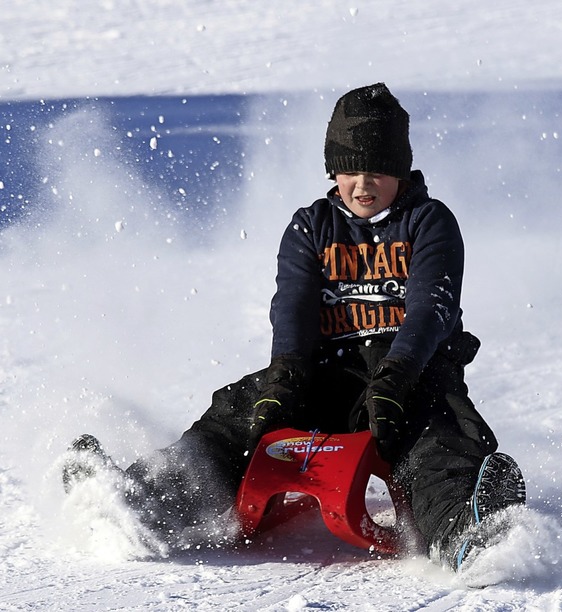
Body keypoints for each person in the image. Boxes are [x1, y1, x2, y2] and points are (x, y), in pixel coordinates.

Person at [63, 83, 525, 570]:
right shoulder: (311, 227)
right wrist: (284, 377)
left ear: (401, 170)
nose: (363, 184)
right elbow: (294, 309)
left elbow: (431, 308)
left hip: (414, 377)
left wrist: (397, 376)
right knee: (237, 417)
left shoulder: (429, 222)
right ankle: (141, 501)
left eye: (378, 170)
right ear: (333, 170)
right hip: (329, 372)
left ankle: (468, 531)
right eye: (350, 170)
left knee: (438, 443)